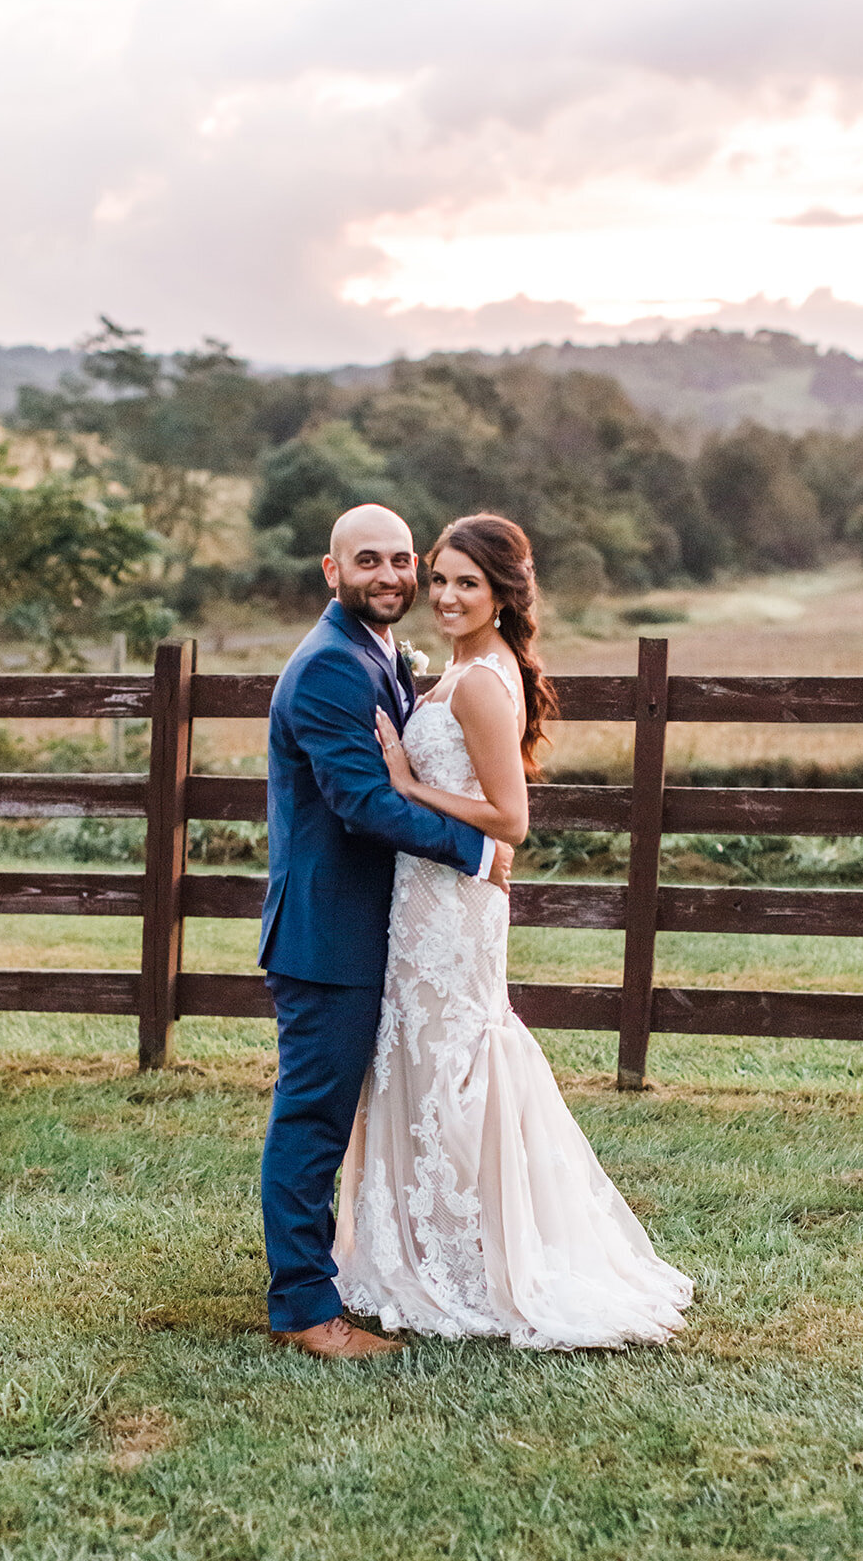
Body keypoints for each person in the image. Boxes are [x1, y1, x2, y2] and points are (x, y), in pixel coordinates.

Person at [335, 513, 693, 1348]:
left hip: (454, 908)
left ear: (502, 593)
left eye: (468, 582)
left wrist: (405, 784)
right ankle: (420, 1241)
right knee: (420, 1059)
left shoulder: (484, 683)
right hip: (426, 897)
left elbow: (511, 818)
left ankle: (468, 1256)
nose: (447, 595)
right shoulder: (458, 669)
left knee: (451, 1060)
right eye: (441, 579)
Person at [258, 504, 513, 1361]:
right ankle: (302, 1309)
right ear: (331, 571)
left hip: (378, 929)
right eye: (369, 561)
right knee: (313, 1121)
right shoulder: (331, 666)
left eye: (403, 560)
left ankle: (374, 1266)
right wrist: (476, 848)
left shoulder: (376, 653)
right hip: (327, 934)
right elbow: (362, 803)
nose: (394, 577)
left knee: (354, 1115)